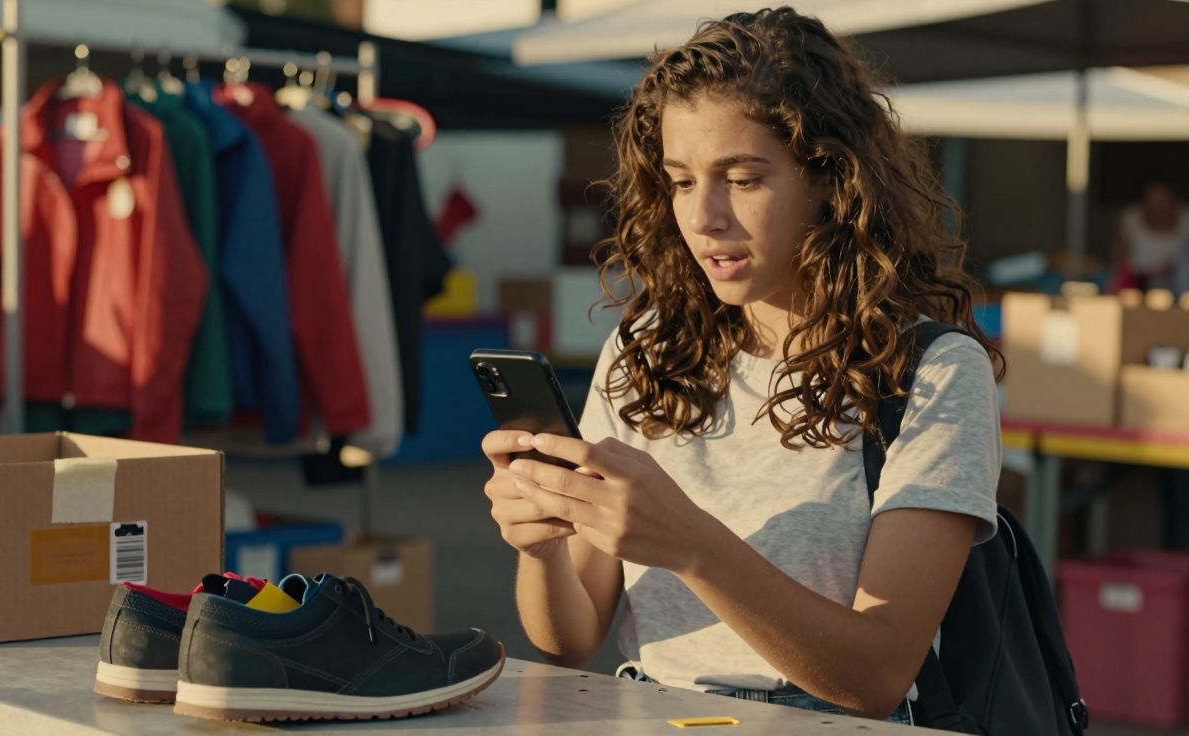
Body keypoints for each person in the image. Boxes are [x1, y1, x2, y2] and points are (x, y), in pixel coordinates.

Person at [480, 8, 1004, 725]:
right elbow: (568, 639)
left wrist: (691, 545)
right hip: (647, 710)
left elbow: (877, 675)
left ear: (830, 179)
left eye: (744, 179)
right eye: (682, 181)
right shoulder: (644, 351)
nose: (703, 217)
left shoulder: (934, 371)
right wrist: (538, 544)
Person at [1112, 175, 1189, 293]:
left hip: (1179, 291)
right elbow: (1120, 263)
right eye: (1152, 203)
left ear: (1174, 201)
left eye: (1163, 204)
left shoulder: (1186, 221)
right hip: (1137, 290)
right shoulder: (1130, 219)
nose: (1157, 209)